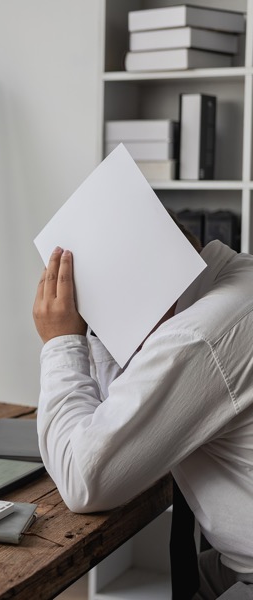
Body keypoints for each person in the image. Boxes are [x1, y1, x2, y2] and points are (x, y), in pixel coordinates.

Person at [33, 230, 253, 598]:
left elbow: (83, 480)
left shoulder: (196, 335)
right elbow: (113, 417)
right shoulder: (238, 282)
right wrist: (101, 336)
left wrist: (61, 342)